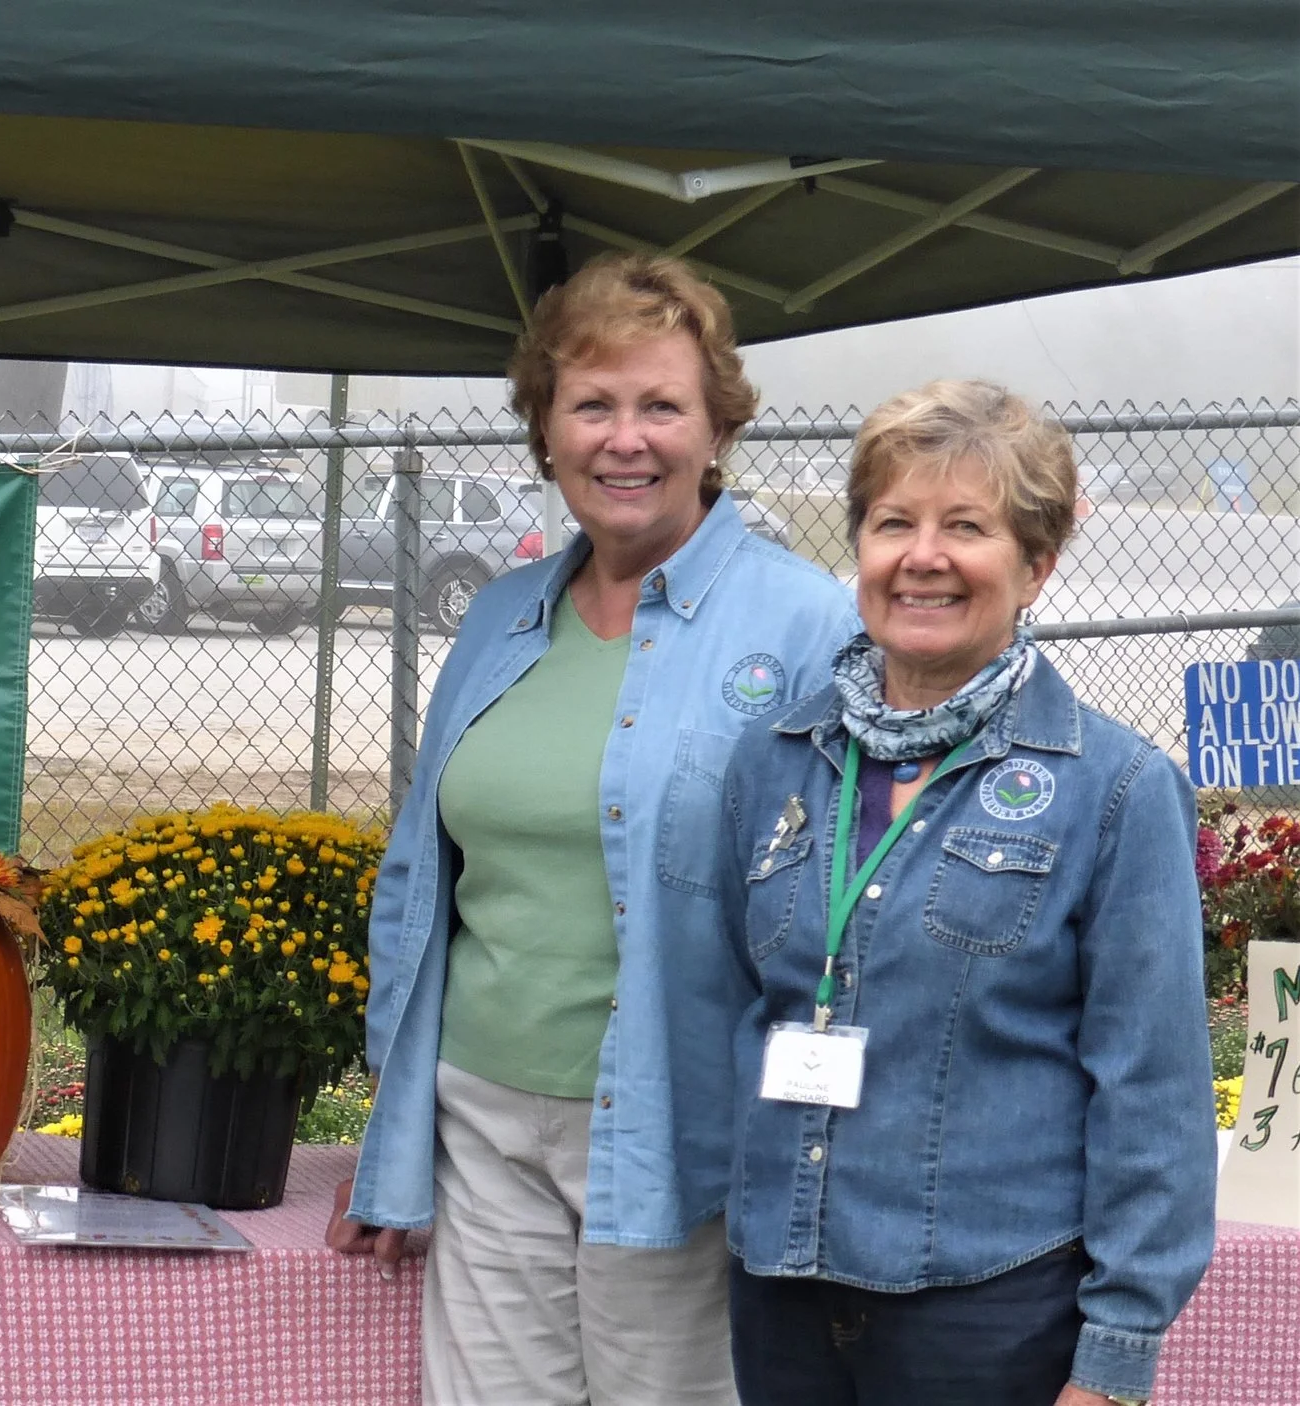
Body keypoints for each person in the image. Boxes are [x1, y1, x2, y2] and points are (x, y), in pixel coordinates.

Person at [328, 252, 859, 1405]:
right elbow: (425, 880)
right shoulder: (497, 616)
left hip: (682, 1134)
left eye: (662, 405)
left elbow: (853, 910)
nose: (627, 438)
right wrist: (397, 1135)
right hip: (481, 1124)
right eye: (592, 404)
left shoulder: (810, 624)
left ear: (717, 429)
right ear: (546, 431)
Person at [714, 380, 1214, 1406]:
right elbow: (738, 1002)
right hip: (782, 1289)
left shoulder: (1112, 788)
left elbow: (1152, 1088)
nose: (922, 555)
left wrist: (1115, 1353)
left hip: (990, 1311)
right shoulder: (775, 763)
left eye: (967, 526)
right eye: (893, 521)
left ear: (1035, 563)